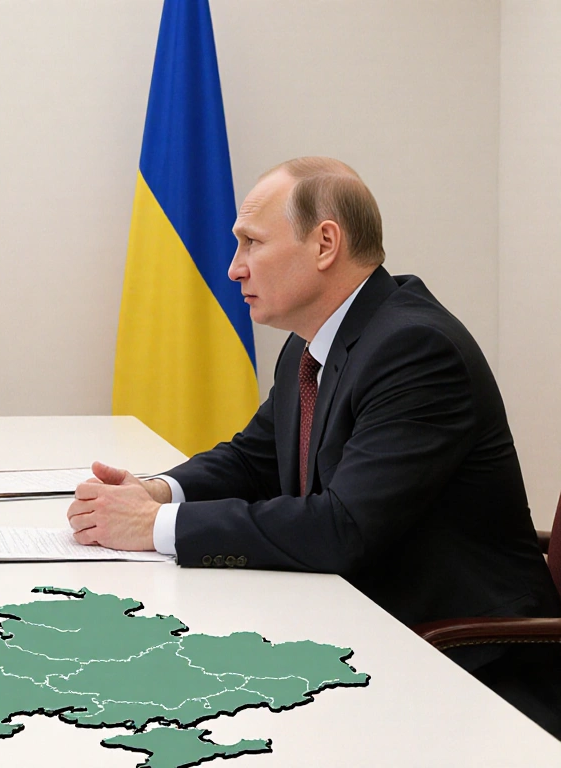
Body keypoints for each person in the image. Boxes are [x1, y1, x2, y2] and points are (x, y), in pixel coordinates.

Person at [67, 156, 561, 735]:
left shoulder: (415, 349)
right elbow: (252, 459)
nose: (232, 270)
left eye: (251, 243)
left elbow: (344, 527)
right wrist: (155, 490)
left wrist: (154, 527)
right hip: (369, 626)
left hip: (468, 663)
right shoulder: (312, 344)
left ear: (326, 243)